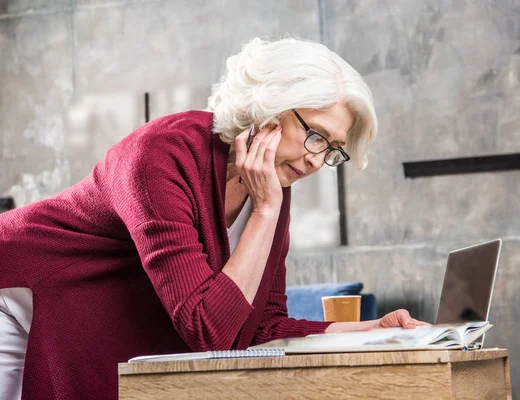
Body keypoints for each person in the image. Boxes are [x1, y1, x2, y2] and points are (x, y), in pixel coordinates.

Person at [0, 37, 428, 400]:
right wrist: (264, 210)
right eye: (315, 135)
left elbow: (261, 326)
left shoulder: (274, 179)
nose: (317, 160)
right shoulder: (159, 155)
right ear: (269, 109)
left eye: (332, 149)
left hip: (72, 310)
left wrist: (370, 331)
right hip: (16, 293)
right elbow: (207, 328)